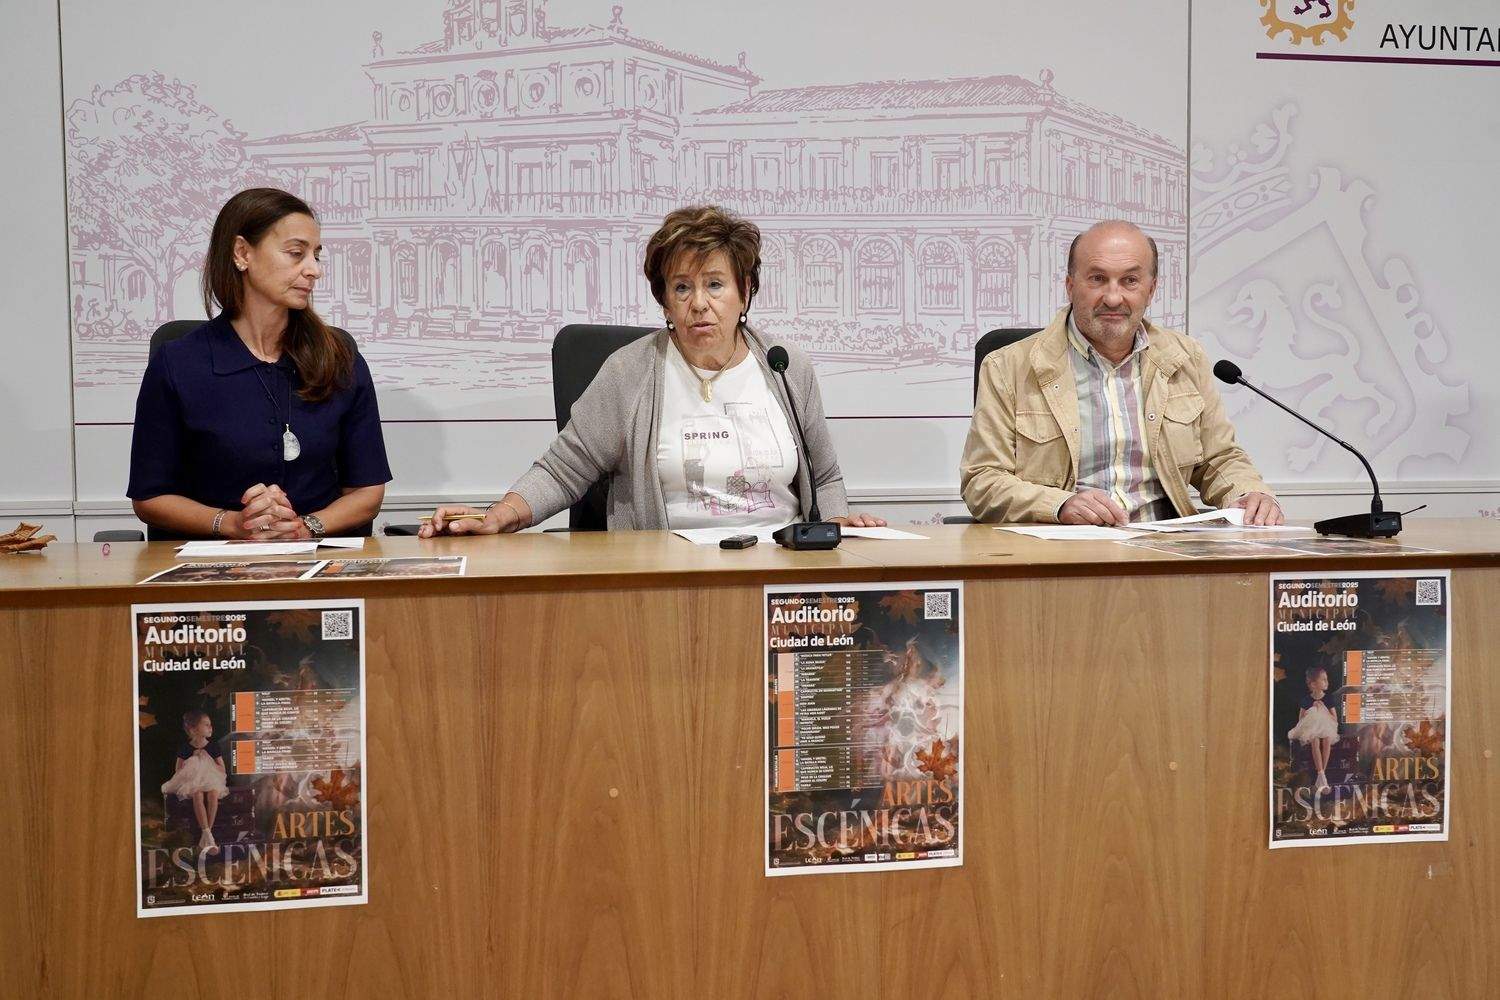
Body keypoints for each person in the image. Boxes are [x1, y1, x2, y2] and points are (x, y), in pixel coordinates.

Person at [420, 205, 885, 536]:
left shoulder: (785, 366)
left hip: (777, 578)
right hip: (666, 576)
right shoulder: (631, 371)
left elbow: (824, 478)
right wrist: (500, 515)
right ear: (663, 299)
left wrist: (835, 529)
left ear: (745, 291)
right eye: (681, 287)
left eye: (715, 284)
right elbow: (564, 469)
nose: (698, 303)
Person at [960, 220, 1281, 525]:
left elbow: (1219, 458)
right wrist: (1059, 505)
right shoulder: (1008, 366)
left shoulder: (1185, 357)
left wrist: (1250, 493)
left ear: (1151, 289)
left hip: (1167, 548)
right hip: (1062, 548)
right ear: (1070, 286)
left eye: (1130, 280)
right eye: (1097, 279)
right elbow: (983, 480)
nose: (1113, 298)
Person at [128, 188, 391, 540]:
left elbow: (366, 492)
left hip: (316, 564)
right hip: (209, 573)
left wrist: (306, 528)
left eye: (316, 255)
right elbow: (150, 497)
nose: (313, 270)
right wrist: (233, 524)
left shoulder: (340, 357)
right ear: (242, 253)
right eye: (296, 253)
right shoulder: (177, 363)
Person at [161, 709, 228, 854]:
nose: (210, 727)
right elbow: (178, 771)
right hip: (193, 782)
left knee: (212, 795)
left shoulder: (213, 746)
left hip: (211, 780)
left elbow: (222, 769)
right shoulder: (186, 747)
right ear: (193, 729)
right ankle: (208, 836)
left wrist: (206, 757)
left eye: (210, 725)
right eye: (206, 724)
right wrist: (193, 758)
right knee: (197, 795)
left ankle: (206, 836)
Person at [1288, 666, 1340, 792]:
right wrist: (1311, 710)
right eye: (1323, 680)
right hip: (1311, 729)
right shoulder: (1306, 700)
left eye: (1326, 679)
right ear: (1313, 684)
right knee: (1315, 741)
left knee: (1327, 740)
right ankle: (1322, 776)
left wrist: (1323, 707)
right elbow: (1301, 720)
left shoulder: (1328, 699)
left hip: (1326, 728)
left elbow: (1334, 719)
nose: (1326, 682)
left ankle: (1321, 777)